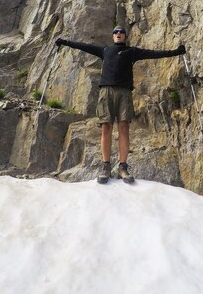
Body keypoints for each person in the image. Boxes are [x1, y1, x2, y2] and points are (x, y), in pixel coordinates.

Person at [56, 26, 186, 184]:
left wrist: (176, 52)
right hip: (106, 91)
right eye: (115, 32)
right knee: (106, 127)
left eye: (121, 32)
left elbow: (154, 53)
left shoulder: (132, 52)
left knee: (124, 127)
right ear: (112, 36)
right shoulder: (105, 50)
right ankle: (106, 167)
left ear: (125, 36)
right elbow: (84, 46)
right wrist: (65, 42)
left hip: (124, 92)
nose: (118, 34)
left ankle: (122, 168)